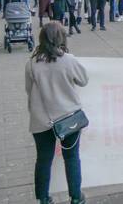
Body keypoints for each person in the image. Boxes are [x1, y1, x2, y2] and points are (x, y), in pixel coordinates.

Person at [25, 22, 88, 204]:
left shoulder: (31, 64)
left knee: (43, 160)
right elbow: (83, 80)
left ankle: (43, 199)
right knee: (72, 157)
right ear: (61, 38)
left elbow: (29, 91)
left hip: (41, 120)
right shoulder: (68, 60)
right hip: (69, 118)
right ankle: (76, 197)